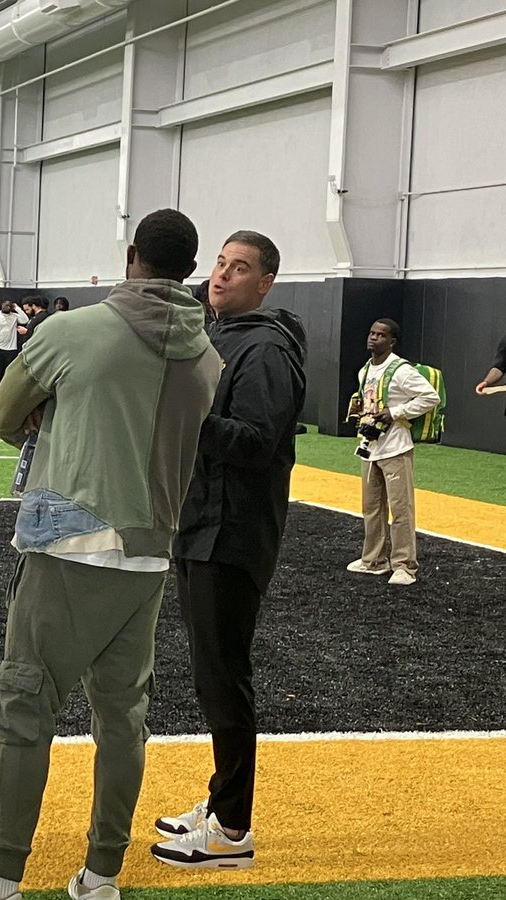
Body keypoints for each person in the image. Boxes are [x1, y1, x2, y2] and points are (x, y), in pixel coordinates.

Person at [0, 209, 220, 900]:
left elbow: (3, 416)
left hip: (68, 541)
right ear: (191, 268)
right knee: (123, 722)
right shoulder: (207, 356)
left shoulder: (70, 331)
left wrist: (51, 411)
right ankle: (101, 875)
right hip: (151, 553)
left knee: (24, 706)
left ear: (131, 253)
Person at [153, 231, 305, 871]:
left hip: (231, 532)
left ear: (264, 283)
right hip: (201, 525)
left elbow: (255, 442)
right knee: (211, 675)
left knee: (224, 677)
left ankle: (233, 828)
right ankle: (222, 803)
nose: (221, 275)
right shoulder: (224, 335)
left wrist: (182, 415)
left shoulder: (264, 348)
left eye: (239, 268)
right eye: (220, 262)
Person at [343, 318, 439, 587]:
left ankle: (404, 565)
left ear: (392, 341)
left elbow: (431, 397)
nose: (373, 338)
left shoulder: (401, 371)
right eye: (372, 333)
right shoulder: (365, 370)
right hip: (370, 447)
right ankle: (374, 560)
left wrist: (395, 412)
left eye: (381, 335)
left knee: (401, 509)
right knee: (371, 507)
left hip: (396, 448)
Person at [0, 299, 28, 386]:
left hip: (11, 349)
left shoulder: (14, 316)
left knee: (9, 373)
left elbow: (25, 320)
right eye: (5, 306)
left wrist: (17, 308)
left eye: (9, 306)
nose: (7, 307)